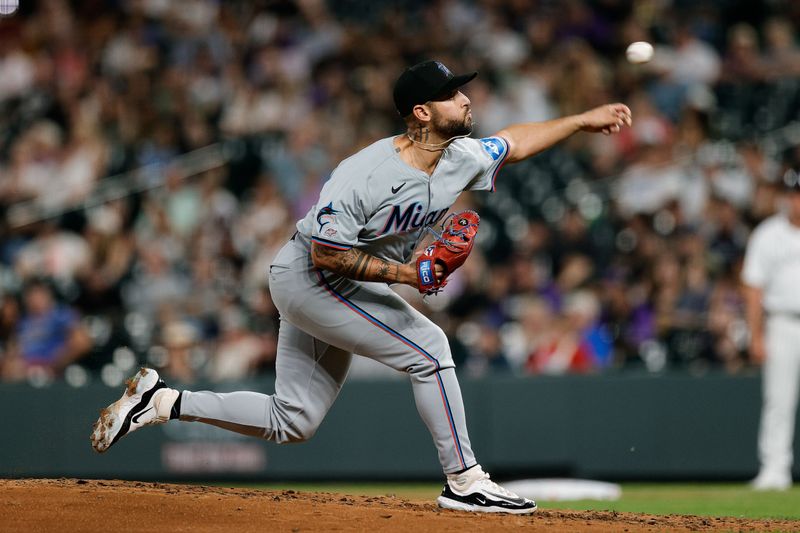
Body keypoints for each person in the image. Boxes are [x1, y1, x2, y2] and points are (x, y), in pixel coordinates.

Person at [91, 60, 631, 513]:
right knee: (431, 349)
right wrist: (408, 275)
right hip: (310, 276)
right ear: (422, 112)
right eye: (451, 94)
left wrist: (582, 120)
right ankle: (464, 480)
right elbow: (327, 252)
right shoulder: (365, 172)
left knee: (294, 419)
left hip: (328, 285)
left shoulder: (460, 157)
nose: (465, 99)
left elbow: (514, 143)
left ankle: (162, 403)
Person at [742, 168, 800, 491]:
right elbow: (753, 288)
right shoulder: (769, 234)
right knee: (779, 399)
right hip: (782, 322)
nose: (797, 201)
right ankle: (775, 469)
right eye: (793, 194)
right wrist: (756, 334)